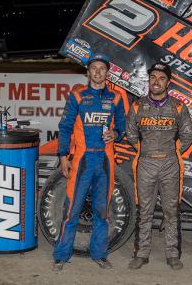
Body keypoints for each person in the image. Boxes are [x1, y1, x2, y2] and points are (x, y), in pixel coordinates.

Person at [52, 54, 126, 271]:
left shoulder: (116, 97)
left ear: (107, 73)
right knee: (71, 210)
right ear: (87, 72)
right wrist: (63, 156)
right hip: (82, 161)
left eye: (102, 68)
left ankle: (99, 254)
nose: (97, 72)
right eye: (93, 68)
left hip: (105, 161)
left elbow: (122, 127)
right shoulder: (77, 96)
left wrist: (115, 132)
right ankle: (61, 256)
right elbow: (65, 127)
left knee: (102, 212)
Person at [125, 63, 192, 270]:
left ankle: (172, 254)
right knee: (144, 211)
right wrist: (145, 150)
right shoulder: (137, 106)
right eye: (153, 77)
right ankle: (142, 253)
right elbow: (130, 134)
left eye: (161, 78)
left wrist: (171, 153)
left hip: (169, 163)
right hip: (145, 162)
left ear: (168, 82)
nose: (156, 81)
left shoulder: (178, 106)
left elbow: (187, 135)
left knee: (171, 211)